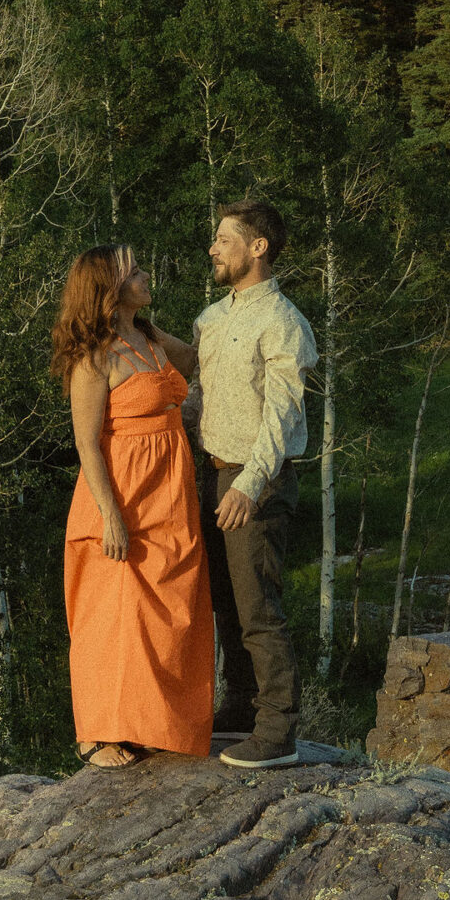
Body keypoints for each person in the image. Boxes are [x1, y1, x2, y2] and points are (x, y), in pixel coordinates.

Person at [53, 244, 213, 770]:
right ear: (108, 289)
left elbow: (194, 361)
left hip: (169, 489)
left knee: (168, 611)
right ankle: (97, 735)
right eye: (135, 272)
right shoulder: (92, 358)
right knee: (114, 612)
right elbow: (86, 443)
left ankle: (154, 722)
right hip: (122, 492)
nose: (146, 276)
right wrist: (110, 516)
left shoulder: (146, 339)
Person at [192, 200, 318, 769]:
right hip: (212, 476)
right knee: (224, 604)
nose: (213, 248)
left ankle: (278, 729)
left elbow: (284, 413)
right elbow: (199, 400)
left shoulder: (284, 321)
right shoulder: (211, 319)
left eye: (223, 239)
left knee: (259, 607)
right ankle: (240, 707)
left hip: (258, 482)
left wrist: (249, 483)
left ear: (258, 247)